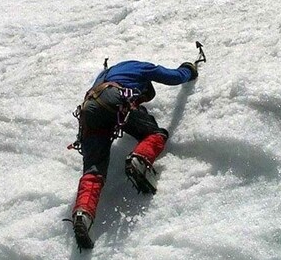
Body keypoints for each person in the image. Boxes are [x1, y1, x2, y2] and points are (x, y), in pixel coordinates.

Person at [68, 59, 198, 249]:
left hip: (88, 111)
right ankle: (139, 159)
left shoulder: (105, 75)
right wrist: (188, 69)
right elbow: (173, 77)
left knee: (93, 170)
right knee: (155, 134)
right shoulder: (141, 67)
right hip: (115, 99)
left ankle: (83, 214)